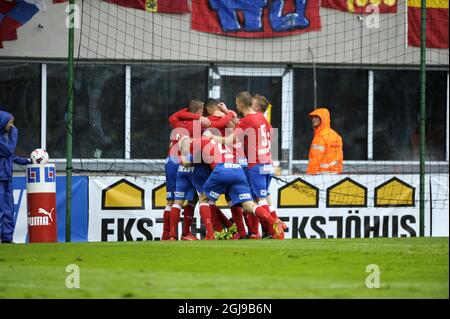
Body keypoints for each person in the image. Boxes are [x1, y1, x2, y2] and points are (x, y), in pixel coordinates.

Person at [179, 132, 284, 240]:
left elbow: (186, 163)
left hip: (222, 169)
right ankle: (274, 222)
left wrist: (182, 150)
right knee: (248, 204)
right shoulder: (222, 141)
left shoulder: (199, 141)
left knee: (203, 198)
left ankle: (210, 235)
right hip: (237, 170)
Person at [214, 91, 285, 239]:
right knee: (261, 197)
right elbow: (268, 132)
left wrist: (212, 137)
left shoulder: (247, 121)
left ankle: (273, 230)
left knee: (259, 199)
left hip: (256, 164)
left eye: (236, 102)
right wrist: (228, 113)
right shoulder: (260, 117)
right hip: (268, 163)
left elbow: (230, 140)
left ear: (240, 104)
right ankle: (257, 232)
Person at [0, 110, 31, 244]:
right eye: (10, 123)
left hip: (6, 178)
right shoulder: (3, 140)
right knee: (2, 209)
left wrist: (29, 160)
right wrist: (14, 133)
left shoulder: (3, 138)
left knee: (8, 209)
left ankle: (7, 238)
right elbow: (9, 150)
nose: (12, 126)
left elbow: (11, 156)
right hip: (1, 179)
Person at [306, 108, 343, 175]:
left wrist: (310, 173)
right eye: (312, 117)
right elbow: (340, 156)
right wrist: (339, 170)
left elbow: (316, 157)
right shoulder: (337, 136)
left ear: (323, 119)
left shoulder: (320, 136)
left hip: (320, 174)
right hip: (335, 174)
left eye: (316, 117)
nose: (313, 119)